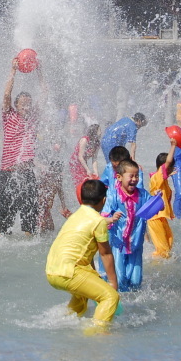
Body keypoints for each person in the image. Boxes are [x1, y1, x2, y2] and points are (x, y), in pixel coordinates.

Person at [44, 178, 120, 328]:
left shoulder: (76, 216)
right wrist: (113, 283)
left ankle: (65, 320)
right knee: (110, 297)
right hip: (70, 272)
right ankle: (96, 334)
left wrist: (94, 275)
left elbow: (85, 251)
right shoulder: (99, 221)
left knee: (83, 296)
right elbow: (105, 254)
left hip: (52, 270)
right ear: (103, 200)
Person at [0, 57, 46, 236]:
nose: (26, 106)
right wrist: (13, 70)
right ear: (16, 105)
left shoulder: (34, 118)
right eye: (23, 103)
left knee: (30, 213)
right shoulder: (9, 116)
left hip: (27, 173)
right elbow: (6, 95)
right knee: (1, 213)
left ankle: (28, 241)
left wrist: (39, 71)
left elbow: (44, 93)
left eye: (28, 103)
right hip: (8, 172)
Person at [100, 155, 151, 291]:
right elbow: (102, 217)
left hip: (136, 244)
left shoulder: (143, 195)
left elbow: (154, 209)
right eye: (131, 176)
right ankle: (119, 302)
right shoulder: (113, 195)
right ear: (119, 177)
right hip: (118, 244)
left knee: (135, 282)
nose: (134, 179)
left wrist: (158, 198)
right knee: (120, 279)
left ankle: (135, 307)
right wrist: (111, 219)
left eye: (136, 176)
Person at [147, 141, 177, 259]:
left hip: (160, 217)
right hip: (155, 218)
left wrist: (168, 175)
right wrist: (173, 146)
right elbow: (168, 162)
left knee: (169, 243)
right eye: (170, 166)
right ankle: (154, 265)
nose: (172, 168)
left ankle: (157, 261)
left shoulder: (160, 178)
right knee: (162, 251)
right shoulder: (158, 176)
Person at [68, 123, 101, 190]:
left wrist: (96, 172)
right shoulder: (85, 140)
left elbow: (94, 159)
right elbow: (80, 157)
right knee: (81, 181)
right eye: (99, 130)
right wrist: (88, 170)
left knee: (87, 179)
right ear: (95, 132)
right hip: (75, 163)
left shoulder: (97, 143)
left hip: (83, 163)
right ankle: (79, 195)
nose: (101, 132)